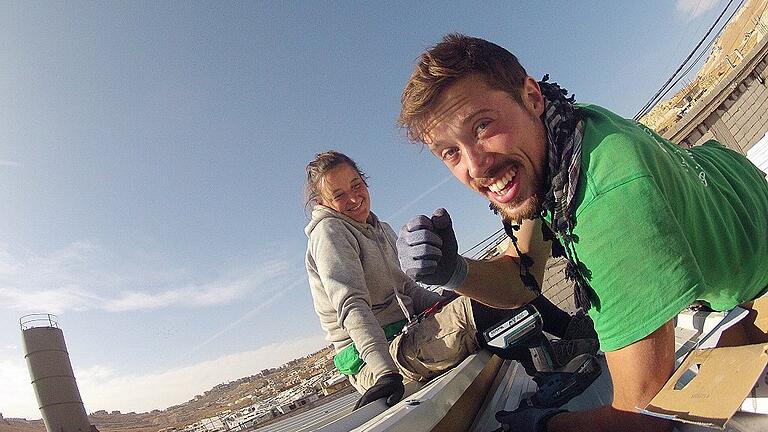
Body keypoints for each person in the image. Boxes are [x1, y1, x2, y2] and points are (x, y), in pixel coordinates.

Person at [396, 34, 768, 431]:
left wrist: (545, 424)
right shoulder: (563, 137)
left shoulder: (603, 199)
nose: (475, 165)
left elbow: (644, 416)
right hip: (736, 193)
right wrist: (454, 272)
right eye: (450, 152)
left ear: (532, 98)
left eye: (482, 125)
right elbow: (522, 282)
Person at [303, 150, 597, 410]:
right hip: (378, 360)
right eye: (339, 195)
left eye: (357, 185)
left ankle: (571, 329)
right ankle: (546, 364)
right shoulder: (329, 232)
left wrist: (449, 297)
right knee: (480, 304)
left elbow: (408, 290)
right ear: (322, 203)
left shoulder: (380, 228)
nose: (354, 198)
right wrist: (383, 371)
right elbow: (351, 306)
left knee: (486, 285)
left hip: (408, 332)